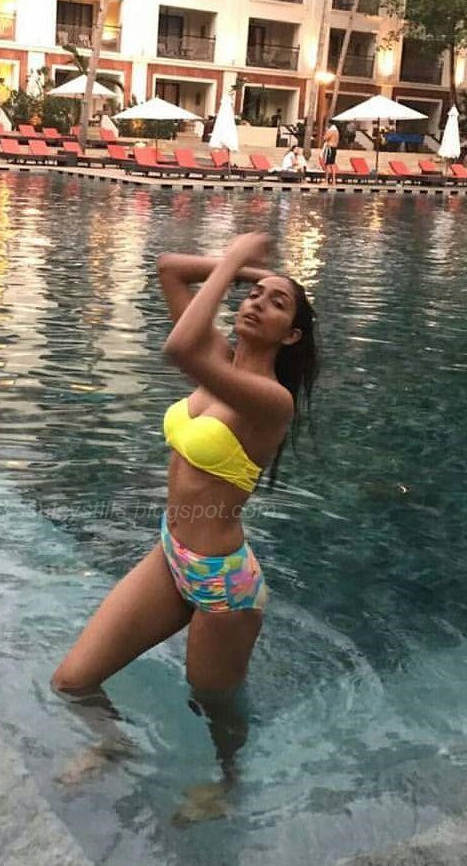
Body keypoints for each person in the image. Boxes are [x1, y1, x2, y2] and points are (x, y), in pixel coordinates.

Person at [51, 233, 318, 779]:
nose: (256, 303)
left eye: (276, 304)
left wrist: (238, 259)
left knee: (215, 706)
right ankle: (115, 745)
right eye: (253, 295)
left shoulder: (271, 400)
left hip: (223, 582)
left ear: (291, 335)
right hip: (172, 554)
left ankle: (226, 782)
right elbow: (170, 268)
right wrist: (248, 272)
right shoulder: (219, 361)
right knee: (72, 681)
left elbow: (178, 348)